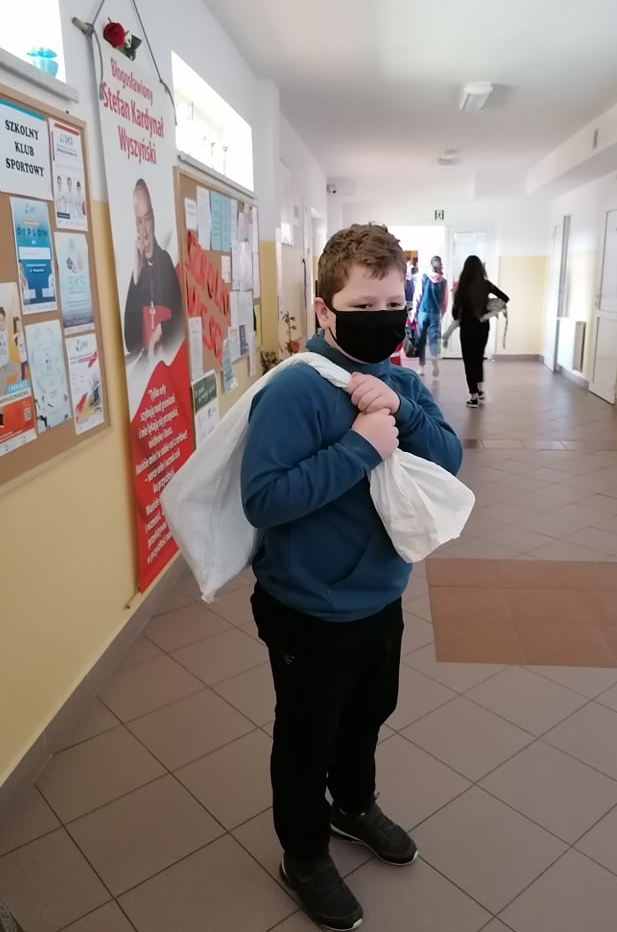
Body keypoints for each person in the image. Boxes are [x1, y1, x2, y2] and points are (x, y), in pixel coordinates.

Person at [241, 223, 462, 932]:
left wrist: (400, 412)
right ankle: (303, 853)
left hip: (380, 596)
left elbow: (449, 458)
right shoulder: (294, 391)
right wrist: (360, 447)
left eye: (394, 303)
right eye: (364, 306)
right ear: (324, 309)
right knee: (306, 738)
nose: (384, 318)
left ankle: (354, 806)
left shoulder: (400, 380)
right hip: (306, 608)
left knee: (368, 714)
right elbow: (264, 499)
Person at [123, 179, 183, 357]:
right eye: (139, 222)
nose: (144, 233)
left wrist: (162, 329)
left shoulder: (165, 261)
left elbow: (181, 320)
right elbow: (131, 342)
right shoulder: (138, 272)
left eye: (147, 219)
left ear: (154, 220)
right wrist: (136, 275)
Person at [452, 254, 509, 408]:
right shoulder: (486, 285)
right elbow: (505, 298)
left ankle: (474, 396)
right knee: (478, 358)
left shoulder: (462, 287)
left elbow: (455, 312)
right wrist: (491, 308)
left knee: (469, 361)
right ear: (480, 269)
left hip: (467, 328)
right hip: (483, 327)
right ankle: (480, 389)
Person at [412, 255, 447, 377]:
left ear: (431, 265)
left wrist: (414, 312)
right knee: (433, 339)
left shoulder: (424, 277)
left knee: (421, 339)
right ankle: (434, 358)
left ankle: (421, 367)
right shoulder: (443, 281)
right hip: (435, 313)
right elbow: (444, 301)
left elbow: (418, 295)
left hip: (423, 311)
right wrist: (441, 314)